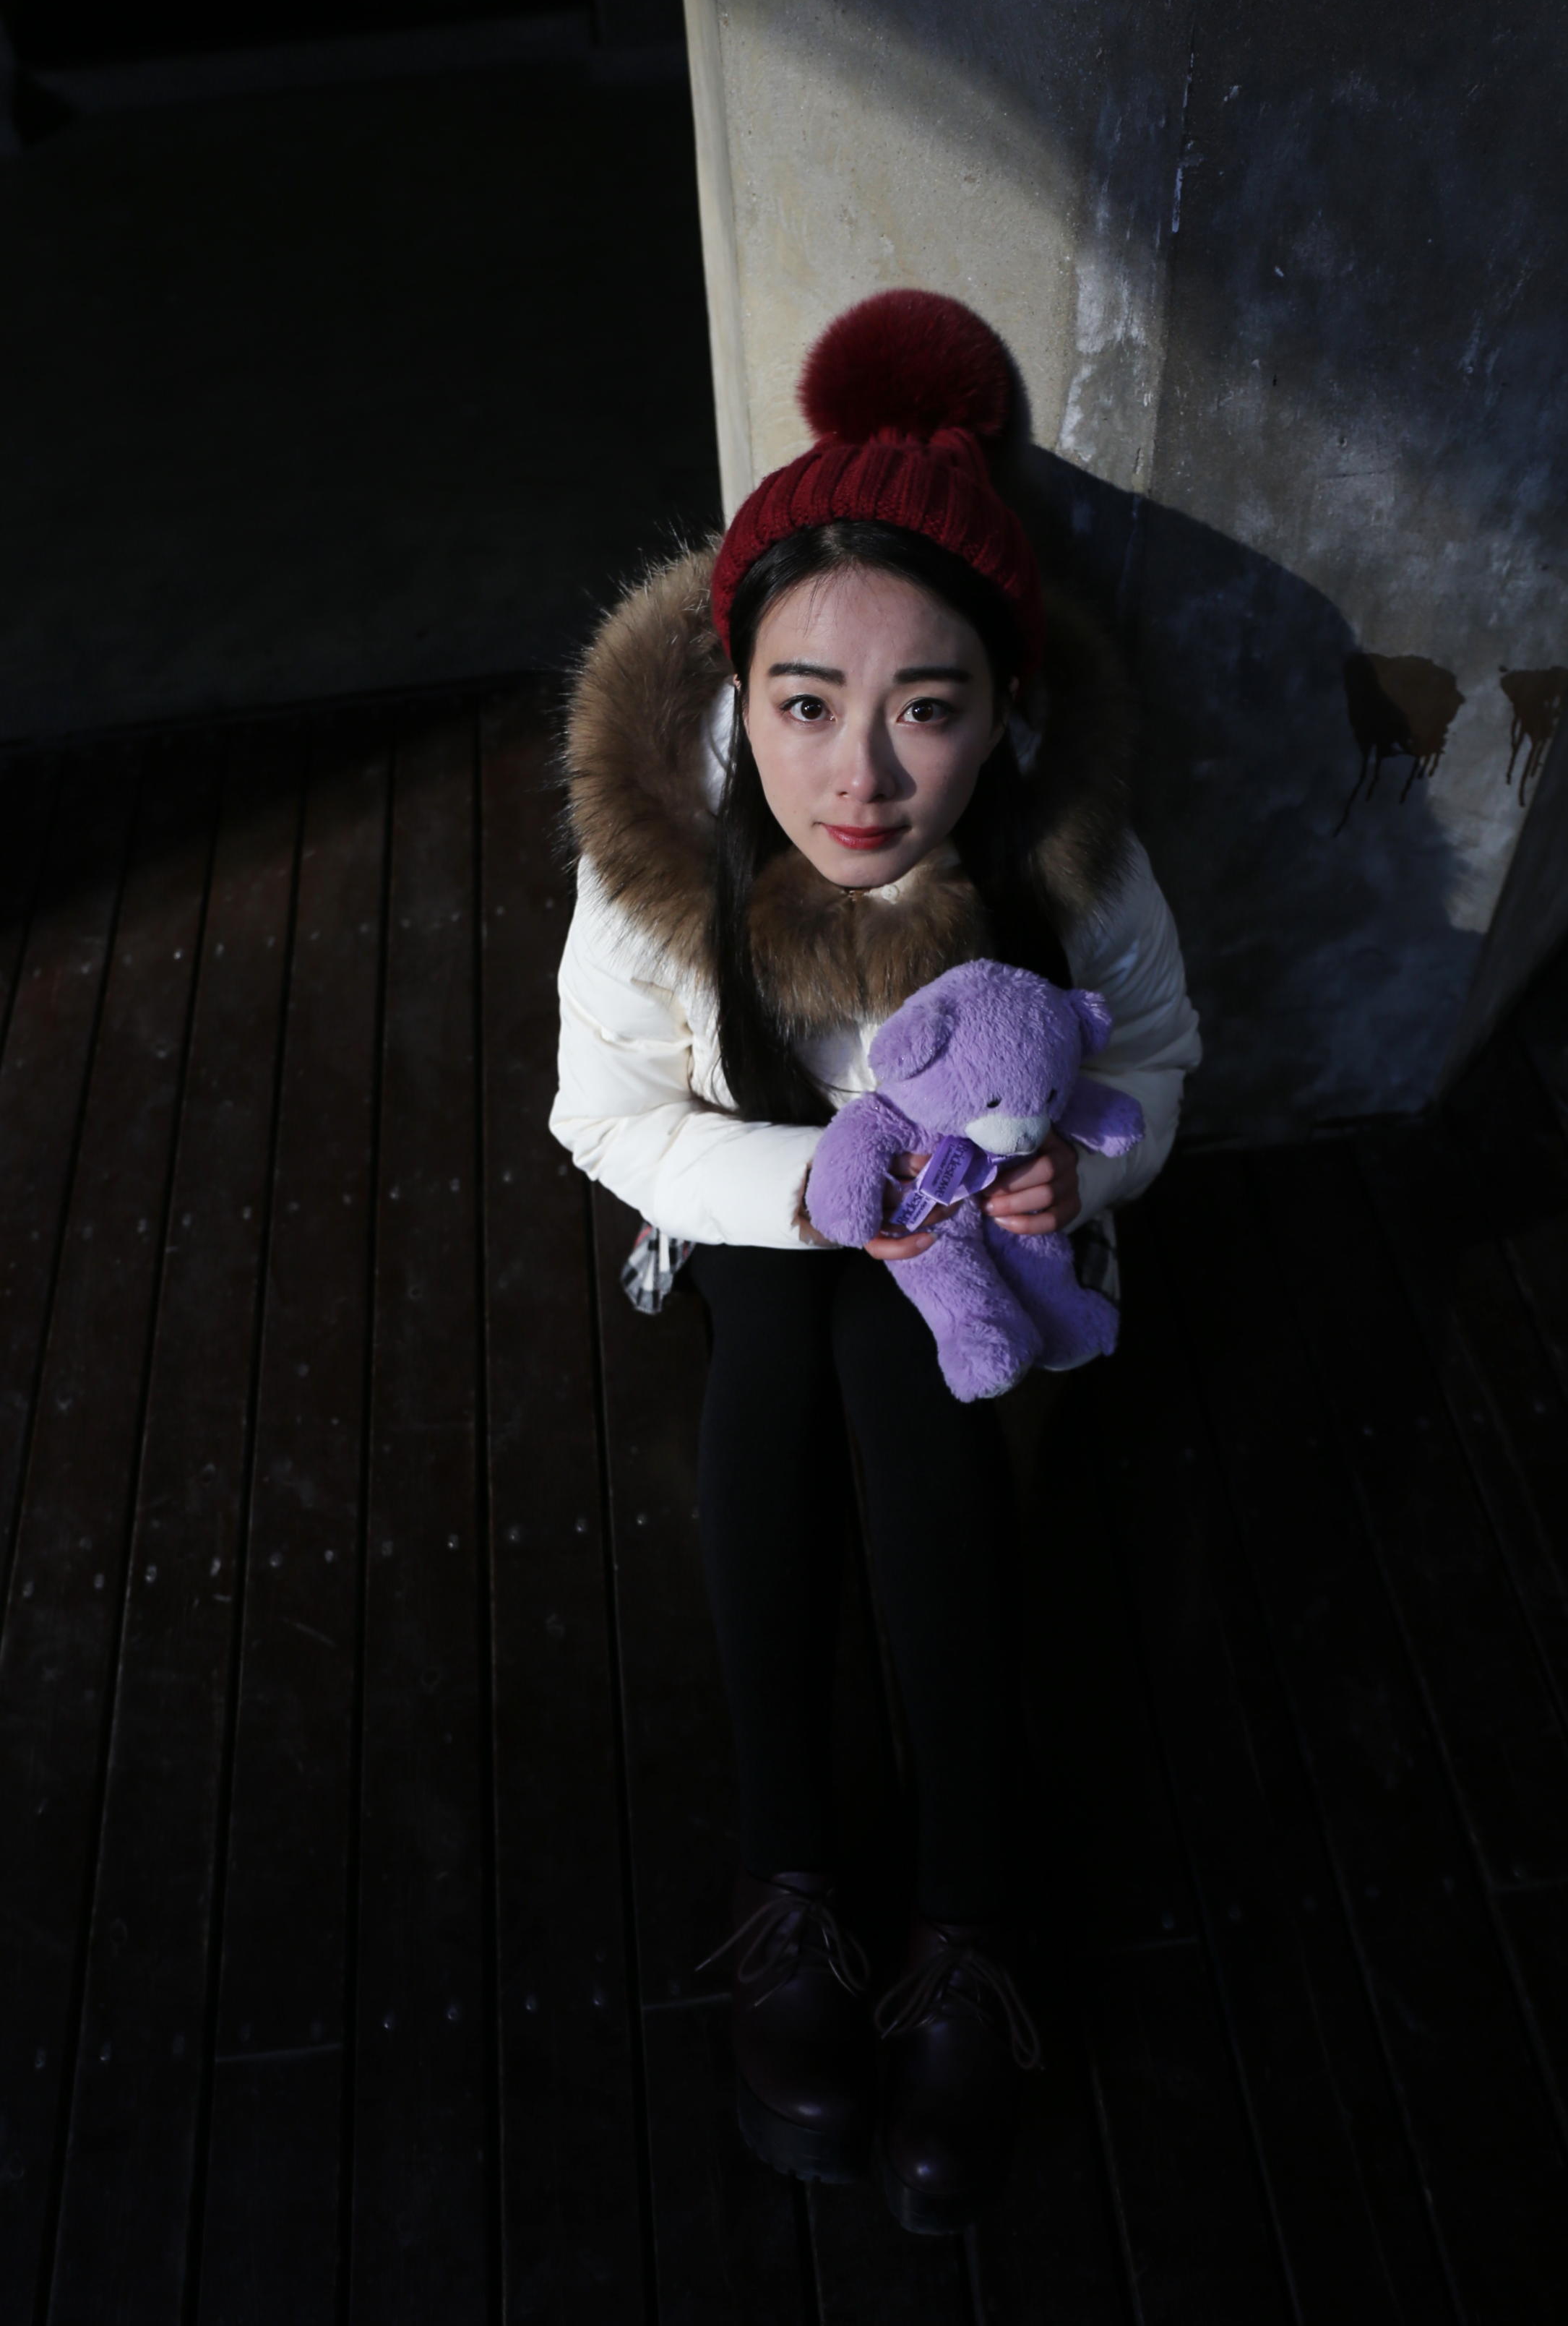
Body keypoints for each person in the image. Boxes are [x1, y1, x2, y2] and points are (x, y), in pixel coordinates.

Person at [548, 288, 1202, 2234]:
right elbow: (609, 1119)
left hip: (969, 1258)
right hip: (759, 1208)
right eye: (805, 703)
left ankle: (970, 1907)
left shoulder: (1070, 857)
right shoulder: (656, 871)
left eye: (926, 706)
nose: (860, 774)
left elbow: (1157, 1059)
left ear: (1004, 712)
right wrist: (816, 1196)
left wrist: (1080, 1179)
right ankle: (791, 1870)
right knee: (779, 1347)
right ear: (734, 693)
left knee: (903, 1381)